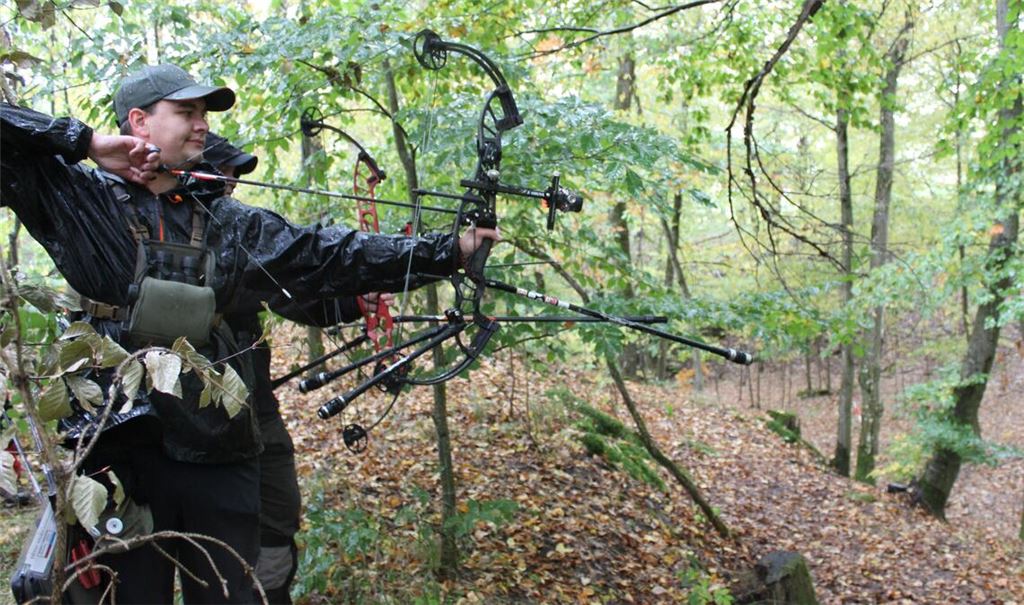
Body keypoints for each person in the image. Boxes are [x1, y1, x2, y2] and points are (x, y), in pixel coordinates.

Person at [0, 63, 496, 604]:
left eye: (204, 115)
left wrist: (450, 250)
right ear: (138, 122)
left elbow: (325, 254)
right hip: (119, 448)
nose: (202, 125)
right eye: (186, 112)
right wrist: (86, 141)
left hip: (219, 446)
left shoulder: (227, 221)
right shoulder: (76, 195)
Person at [205, 133, 391, 604]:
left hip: (254, 408)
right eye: (224, 172)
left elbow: (288, 292)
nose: (232, 182)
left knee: (277, 522)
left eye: (235, 174)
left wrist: (354, 301)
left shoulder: (241, 233)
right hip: (193, 421)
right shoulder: (162, 231)